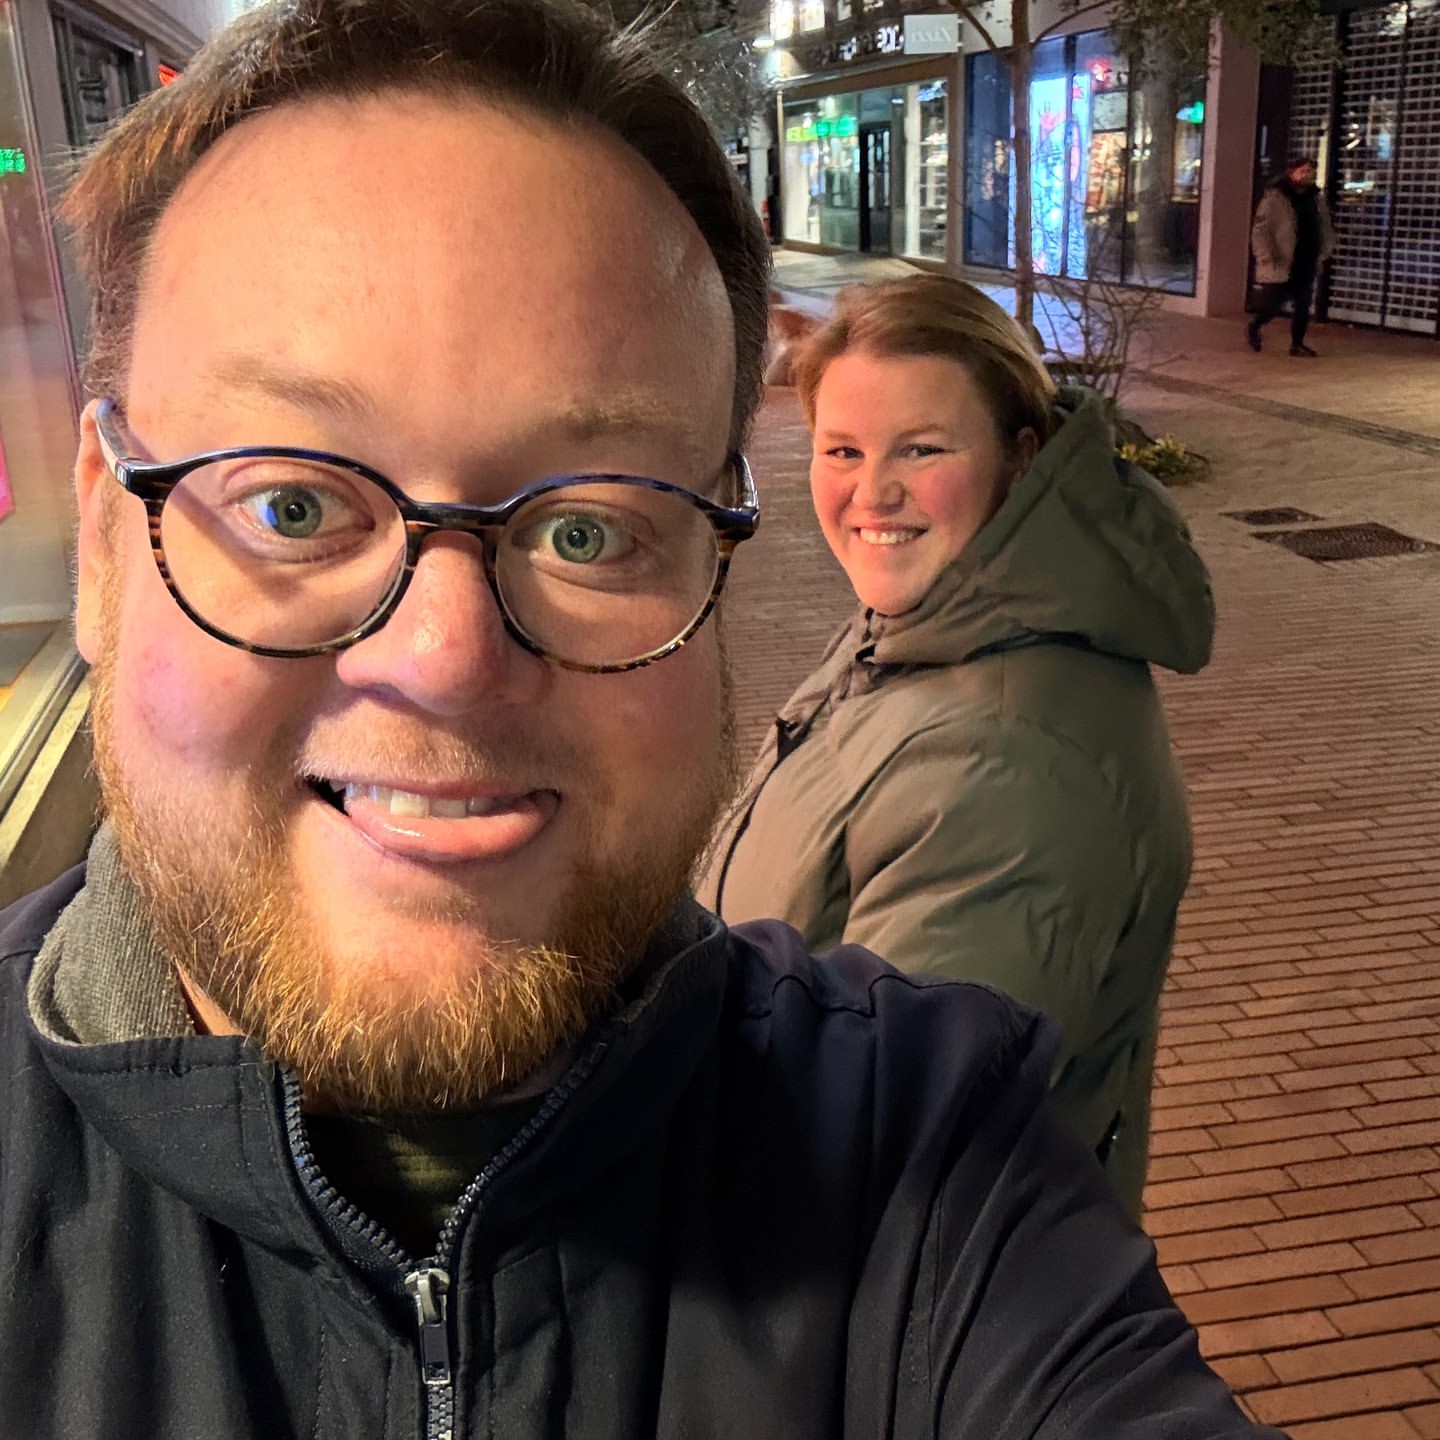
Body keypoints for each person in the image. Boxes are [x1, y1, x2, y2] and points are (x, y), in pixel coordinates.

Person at [0, 2, 1281, 1435]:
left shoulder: (925, 1158)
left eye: (590, 530)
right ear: (104, 548)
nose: (447, 658)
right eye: (292, 505)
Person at [703, 276, 1214, 1218]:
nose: (872, 492)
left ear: (1021, 457)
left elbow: (880, 1154)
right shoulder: (922, 629)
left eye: (923, 448)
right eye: (842, 450)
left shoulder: (1010, 763)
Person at [1247, 157, 1334, 357]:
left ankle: (1297, 344)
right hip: (1282, 260)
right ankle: (1255, 326)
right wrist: (1265, 256)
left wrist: (1326, 248)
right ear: (1291, 172)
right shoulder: (1276, 198)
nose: (1307, 175)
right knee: (1272, 305)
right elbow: (1260, 231)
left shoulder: (1316, 198)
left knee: (1303, 305)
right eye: (1303, 171)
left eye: (1310, 172)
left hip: (1307, 258)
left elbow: (1325, 225)